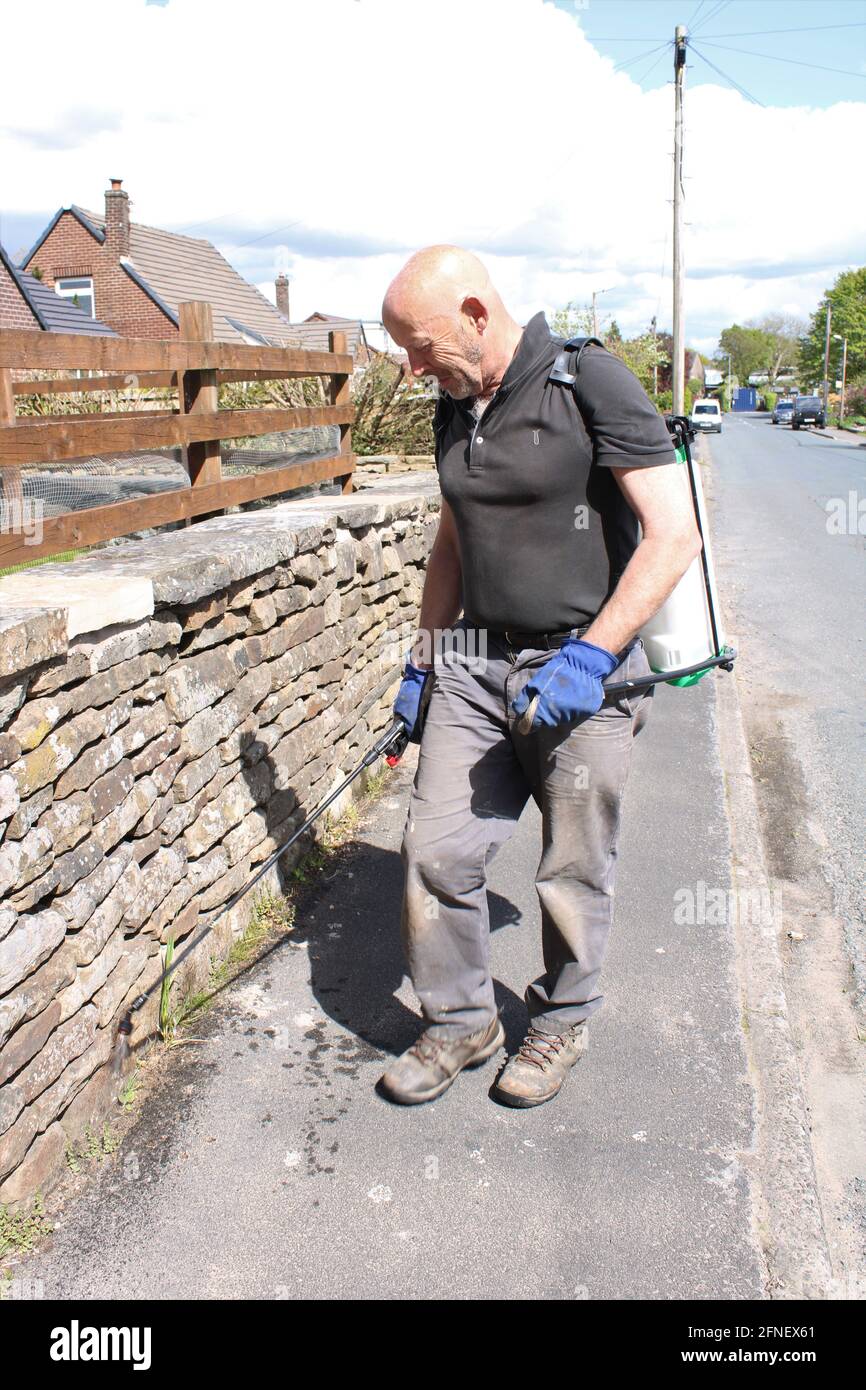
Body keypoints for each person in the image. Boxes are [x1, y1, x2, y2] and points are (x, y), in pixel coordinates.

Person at [379, 246, 701, 1108]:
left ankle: (563, 1016)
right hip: (474, 665)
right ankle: (459, 1020)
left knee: (570, 863)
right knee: (437, 846)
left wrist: (594, 655)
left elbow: (673, 535)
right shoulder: (453, 406)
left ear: (477, 314)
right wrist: (424, 662)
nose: (410, 369)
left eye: (420, 345)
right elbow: (452, 544)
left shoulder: (589, 381)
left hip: (579, 667)